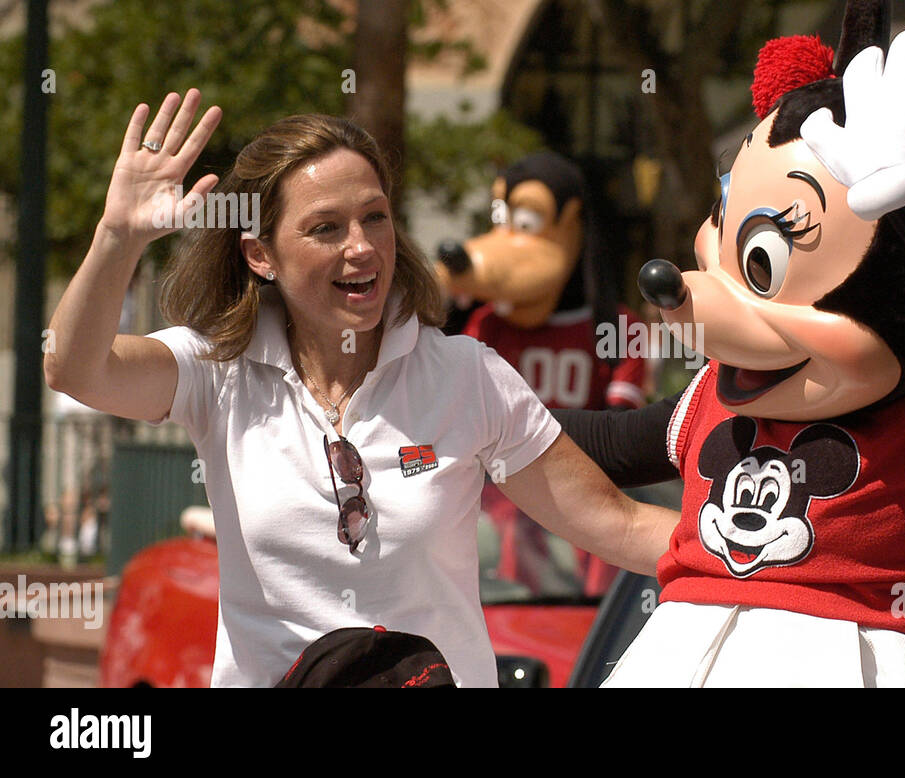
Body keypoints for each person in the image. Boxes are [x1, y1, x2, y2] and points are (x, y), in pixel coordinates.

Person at [42, 89, 677, 687]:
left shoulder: (467, 375)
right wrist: (116, 238)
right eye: (325, 228)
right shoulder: (217, 371)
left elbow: (613, 524)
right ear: (261, 255)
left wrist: (767, 561)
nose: (362, 247)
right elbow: (75, 368)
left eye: (375, 217)